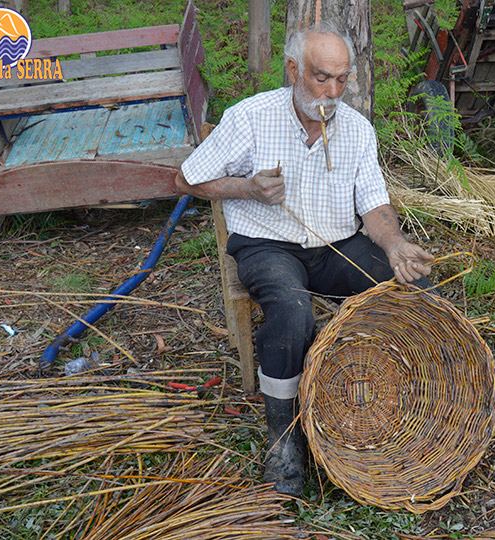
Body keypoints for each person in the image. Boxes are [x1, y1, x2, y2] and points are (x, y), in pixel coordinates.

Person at [174, 23, 434, 496]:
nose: (332, 92)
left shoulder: (356, 128)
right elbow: (186, 180)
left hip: (336, 245)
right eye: (320, 77)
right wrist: (246, 187)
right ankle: (283, 438)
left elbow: (374, 205)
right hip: (268, 245)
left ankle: (415, 403)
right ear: (294, 70)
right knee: (293, 315)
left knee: (415, 290)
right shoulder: (251, 118)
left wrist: (394, 244)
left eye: (341, 78)